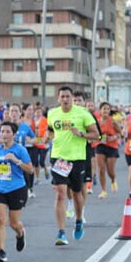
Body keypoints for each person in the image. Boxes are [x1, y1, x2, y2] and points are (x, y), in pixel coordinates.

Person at [46, 87, 99, 245]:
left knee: (76, 194)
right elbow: (50, 131)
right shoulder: (52, 113)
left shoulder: (83, 113)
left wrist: (81, 134)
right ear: (58, 98)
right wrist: (48, 138)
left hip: (77, 158)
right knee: (60, 194)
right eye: (62, 97)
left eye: (68, 96)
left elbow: (96, 134)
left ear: (71, 98)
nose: (65, 99)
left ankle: (78, 220)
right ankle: (61, 232)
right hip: (59, 158)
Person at [0, 120, 33, 262]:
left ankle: (20, 232)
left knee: (13, 223)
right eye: (2, 131)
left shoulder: (20, 150)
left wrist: (16, 160)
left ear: (14, 134)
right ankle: (1, 251)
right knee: (0, 219)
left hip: (17, 189)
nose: (4, 134)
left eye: (7, 132)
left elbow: (30, 169)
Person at [94, 101, 122, 199]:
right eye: (104, 109)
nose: (106, 111)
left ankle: (113, 180)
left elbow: (120, 134)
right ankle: (103, 191)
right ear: (100, 110)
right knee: (101, 169)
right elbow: (93, 133)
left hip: (112, 146)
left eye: (108, 109)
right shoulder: (96, 122)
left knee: (110, 171)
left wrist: (113, 137)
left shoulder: (112, 121)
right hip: (100, 145)